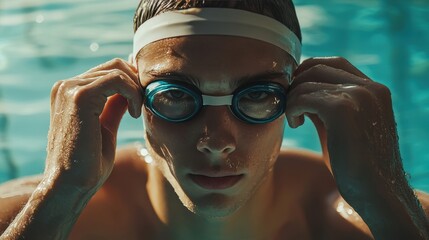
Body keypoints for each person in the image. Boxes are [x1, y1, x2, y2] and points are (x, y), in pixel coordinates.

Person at [1, 0, 429, 239]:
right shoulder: (36, 217)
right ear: (129, 94)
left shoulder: (361, 219)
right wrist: (57, 193)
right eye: (174, 95)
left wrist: (385, 200)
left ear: (300, 97)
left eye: (258, 95)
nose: (216, 139)